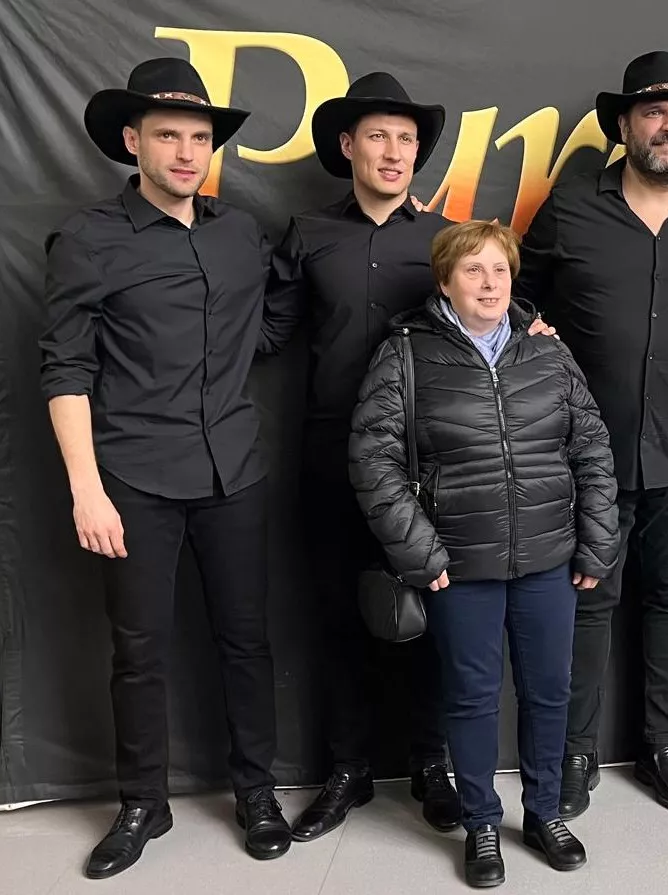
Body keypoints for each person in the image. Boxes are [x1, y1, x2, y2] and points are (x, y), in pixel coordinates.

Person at [40, 58, 291, 879]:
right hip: (134, 479)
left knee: (246, 642)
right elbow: (65, 369)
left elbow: (275, 318)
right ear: (131, 141)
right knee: (138, 650)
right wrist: (87, 488)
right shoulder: (89, 239)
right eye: (168, 136)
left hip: (235, 472)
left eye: (198, 137)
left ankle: (256, 791)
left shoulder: (241, 231)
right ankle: (142, 801)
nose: (186, 152)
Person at [348, 220, 620, 887]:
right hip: (458, 567)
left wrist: (598, 539)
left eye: (499, 269)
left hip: (548, 557)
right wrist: (422, 552)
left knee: (549, 692)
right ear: (444, 281)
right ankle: (479, 822)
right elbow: (371, 457)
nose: (489, 283)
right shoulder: (406, 354)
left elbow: (591, 448)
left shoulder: (547, 353)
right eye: (473, 270)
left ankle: (546, 811)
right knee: (469, 698)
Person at [514, 50, 668, 818]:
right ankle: (573, 752)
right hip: (585, 455)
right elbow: (514, 293)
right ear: (624, 126)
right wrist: (531, 332)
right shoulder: (572, 206)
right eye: (653, 112)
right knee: (588, 602)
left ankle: (661, 747)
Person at [260, 70, 463, 841]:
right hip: (330, 456)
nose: (393, 150)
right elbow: (266, 332)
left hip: (428, 465)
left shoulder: (443, 239)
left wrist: (531, 320)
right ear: (348, 146)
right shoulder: (308, 234)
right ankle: (347, 770)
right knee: (338, 617)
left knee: (433, 617)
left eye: (406, 139)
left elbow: (487, 317)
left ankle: (431, 764)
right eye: (378, 135)